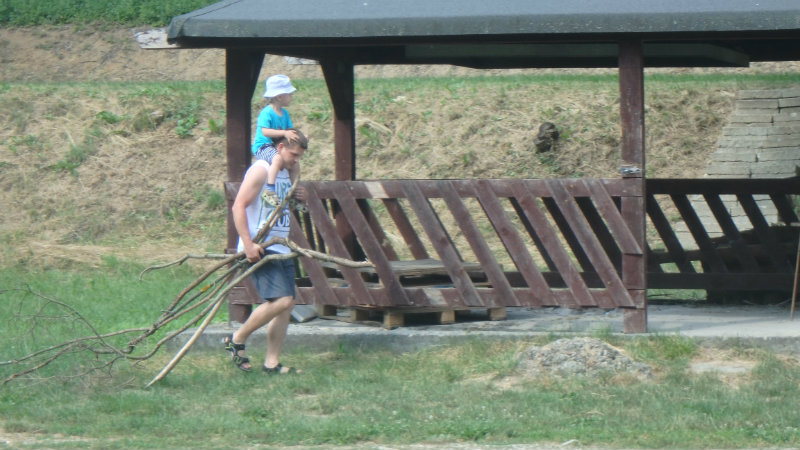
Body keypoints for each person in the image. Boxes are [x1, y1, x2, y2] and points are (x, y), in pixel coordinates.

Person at [223, 130, 309, 374]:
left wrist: (300, 197)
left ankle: (272, 363)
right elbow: (238, 206)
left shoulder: (285, 173)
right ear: (279, 148)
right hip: (261, 246)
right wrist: (248, 244)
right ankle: (236, 338)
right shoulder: (261, 169)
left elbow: (282, 206)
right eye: (293, 154)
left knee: (285, 305)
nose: (296, 160)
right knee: (282, 300)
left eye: (300, 156)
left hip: (281, 245)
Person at [252, 74, 300, 206]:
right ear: (279, 97)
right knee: (277, 159)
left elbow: (290, 130)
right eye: (289, 94)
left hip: (277, 147)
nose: (291, 97)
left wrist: (299, 137)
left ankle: (292, 192)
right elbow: (264, 131)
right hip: (263, 146)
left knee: (295, 163)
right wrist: (284, 132)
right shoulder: (266, 112)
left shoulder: (285, 114)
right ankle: (269, 190)